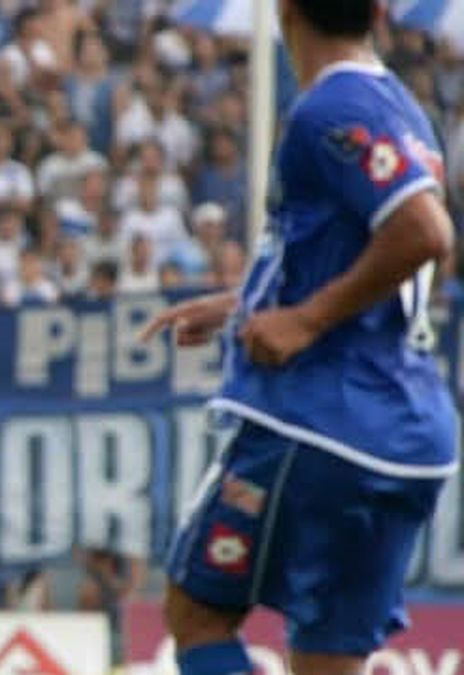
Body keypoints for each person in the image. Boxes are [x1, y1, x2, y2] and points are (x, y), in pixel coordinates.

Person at [139, 2, 457, 674]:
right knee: (325, 663)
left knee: (197, 614)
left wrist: (305, 320)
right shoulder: (400, 105)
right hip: (406, 435)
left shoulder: (330, 110)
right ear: (377, 11)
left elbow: (426, 234)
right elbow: (412, 261)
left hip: (320, 422)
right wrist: (247, 304)